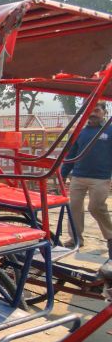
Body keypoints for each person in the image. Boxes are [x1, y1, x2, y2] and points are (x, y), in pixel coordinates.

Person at [61, 102, 112, 255]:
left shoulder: (109, 131)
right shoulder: (80, 132)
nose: (93, 113)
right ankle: (76, 239)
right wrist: (62, 175)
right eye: (90, 110)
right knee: (74, 207)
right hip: (78, 177)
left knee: (96, 207)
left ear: (104, 112)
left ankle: (110, 237)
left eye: (97, 110)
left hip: (100, 178)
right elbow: (71, 155)